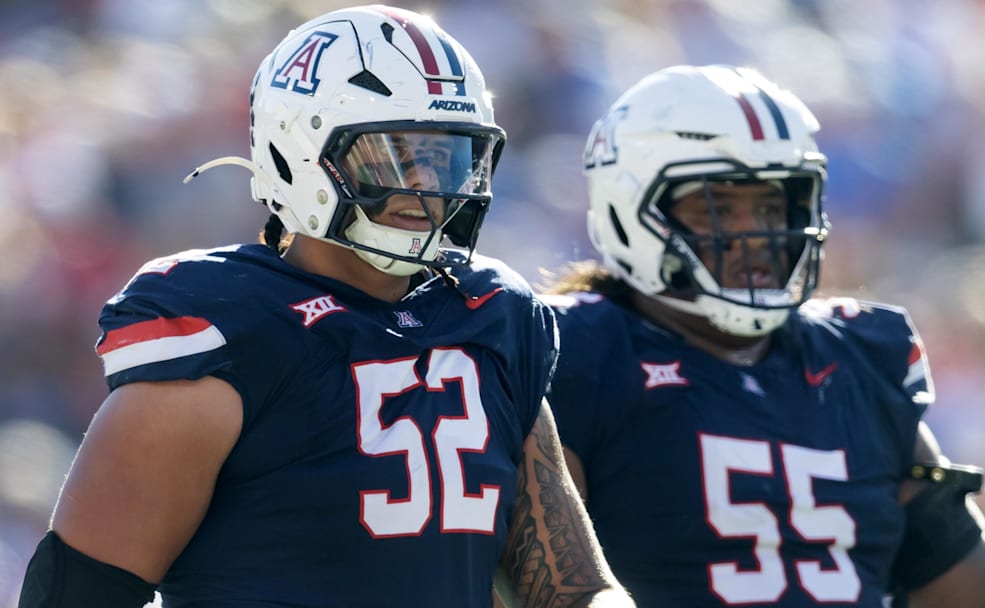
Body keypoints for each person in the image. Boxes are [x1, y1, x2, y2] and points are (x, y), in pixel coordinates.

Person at [17, 6, 632, 608]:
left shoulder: (491, 317)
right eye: (392, 154)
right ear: (300, 151)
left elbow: (571, 588)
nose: (422, 184)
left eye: (444, 156)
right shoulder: (225, 329)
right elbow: (78, 593)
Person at [542, 64, 985, 607]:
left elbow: (979, 593)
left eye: (772, 204)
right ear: (632, 206)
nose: (755, 233)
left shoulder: (860, 361)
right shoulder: (575, 351)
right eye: (719, 207)